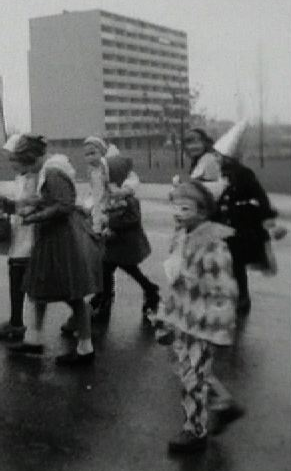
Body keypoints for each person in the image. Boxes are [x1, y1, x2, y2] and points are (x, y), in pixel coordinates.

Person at [154, 180, 243, 453]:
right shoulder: (183, 234)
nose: (178, 213)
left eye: (185, 207)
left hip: (202, 322)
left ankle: (195, 430)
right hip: (183, 314)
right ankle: (224, 404)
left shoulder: (212, 243)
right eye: (175, 207)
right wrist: (165, 315)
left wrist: (220, 327)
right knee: (186, 366)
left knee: (191, 375)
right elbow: (176, 279)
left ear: (203, 212)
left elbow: (223, 288)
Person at [11, 139, 103, 365]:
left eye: (25, 165)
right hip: (52, 236)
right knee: (39, 288)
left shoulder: (52, 172)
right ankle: (35, 337)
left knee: (72, 292)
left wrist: (36, 216)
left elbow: (64, 205)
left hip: (61, 239)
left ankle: (85, 347)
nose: (24, 171)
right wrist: (25, 205)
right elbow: (50, 200)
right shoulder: (48, 171)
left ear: (33, 159)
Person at [211, 122, 280, 316]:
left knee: (237, 263)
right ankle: (232, 294)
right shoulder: (223, 174)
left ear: (229, 157)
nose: (217, 159)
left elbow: (259, 197)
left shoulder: (243, 174)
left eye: (220, 156)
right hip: (224, 226)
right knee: (226, 263)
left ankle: (243, 297)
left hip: (239, 228)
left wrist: (260, 214)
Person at [90, 155, 159, 323]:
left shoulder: (128, 197)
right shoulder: (113, 193)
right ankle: (105, 298)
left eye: (107, 173)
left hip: (126, 243)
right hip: (116, 243)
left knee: (127, 269)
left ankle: (149, 289)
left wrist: (110, 223)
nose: (104, 176)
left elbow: (133, 219)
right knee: (108, 269)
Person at [0, 133, 38, 342]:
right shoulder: (22, 178)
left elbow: (31, 204)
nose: (11, 164)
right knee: (16, 278)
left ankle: (78, 312)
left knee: (43, 285)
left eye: (14, 159)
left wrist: (9, 204)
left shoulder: (35, 179)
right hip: (20, 238)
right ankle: (16, 321)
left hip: (31, 238)